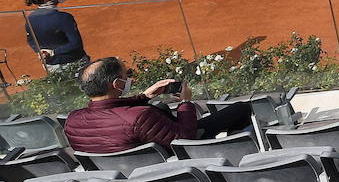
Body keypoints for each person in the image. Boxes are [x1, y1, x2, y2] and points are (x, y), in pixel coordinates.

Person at [63, 57, 253, 154]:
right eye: (125, 75)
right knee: (241, 108)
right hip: (174, 161)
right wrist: (185, 103)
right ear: (117, 85)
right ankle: (237, 151)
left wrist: (144, 96)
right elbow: (185, 139)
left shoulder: (72, 121)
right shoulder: (139, 116)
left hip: (121, 178)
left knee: (160, 108)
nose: (129, 78)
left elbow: (109, 108)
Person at [24, 0, 86, 71]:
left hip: (51, 67)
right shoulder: (64, 18)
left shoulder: (30, 19)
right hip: (74, 64)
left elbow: (31, 41)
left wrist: (41, 52)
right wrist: (54, 52)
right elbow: (76, 44)